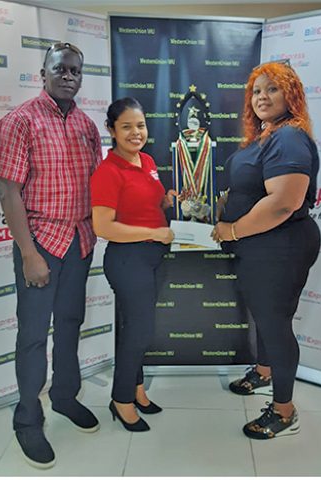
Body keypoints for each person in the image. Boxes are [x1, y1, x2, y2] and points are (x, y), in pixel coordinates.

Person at [0, 42, 102, 468]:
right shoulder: (20, 121)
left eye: (75, 70)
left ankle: (64, 397)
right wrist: (29, 254)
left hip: (81, 242)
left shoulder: (87, 126)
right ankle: (27, 417)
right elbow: (7, 191)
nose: (69, 76)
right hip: (41, 246)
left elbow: (99, 184)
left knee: (71, 323)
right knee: (34, 334)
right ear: (43, 72)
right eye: (61, 69)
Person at [211, 59, 321, 440]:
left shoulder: (289, 136)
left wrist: (232, 229)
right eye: (256, 90)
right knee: (264, 315)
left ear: (290, 94)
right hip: (260, 246)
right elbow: (256, 187)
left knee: (275, 324)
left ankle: (284, 410)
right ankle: (264, 371)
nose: (262, 97)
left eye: (272, 88)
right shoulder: (267, 134)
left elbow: (282, 203)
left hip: (281, 245)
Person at [90, 97, 176, 432]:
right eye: (126, 126)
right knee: (138, 332)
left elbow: (145, 202)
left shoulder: (148, 160)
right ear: (111, 130)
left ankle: (137, 389)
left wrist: (165, 201)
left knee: (138, 329)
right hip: (128, 259)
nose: (135, 132)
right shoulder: (107, 172)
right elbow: (104, 227)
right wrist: (154, 231)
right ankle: (121, 399)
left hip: (153, 255)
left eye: (140, 125)